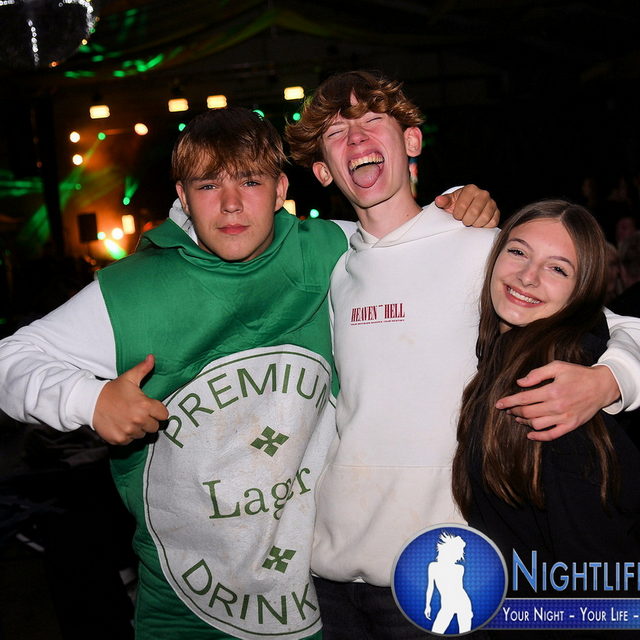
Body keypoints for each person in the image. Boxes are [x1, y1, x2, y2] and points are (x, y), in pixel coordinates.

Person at [0, 106, 496, 639]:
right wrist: (89, 400)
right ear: (183, 195)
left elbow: (411, 238)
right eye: (208, 185)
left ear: (282, 188)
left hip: (319, 603)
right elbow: (10, 359)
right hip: (187, 611)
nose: (232, 203)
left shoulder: (330, 248)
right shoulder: (130, 291)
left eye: (251, 181)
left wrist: (458, 205)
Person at [285, 70, 640, 639]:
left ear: (411, 141)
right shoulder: (334, 264)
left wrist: (611, 379)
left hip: (440, 564)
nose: (356, 139)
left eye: (372, 120)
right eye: (336, 133)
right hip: (331, 572)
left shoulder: (485, 249)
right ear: (324, 171)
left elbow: (616, 322)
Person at [452, 200, 640, 637]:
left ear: (581, 292)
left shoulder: (554, 400)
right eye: (518, 251)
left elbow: (605, 600)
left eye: (558, 268)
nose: (528, 276)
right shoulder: (500, 360)